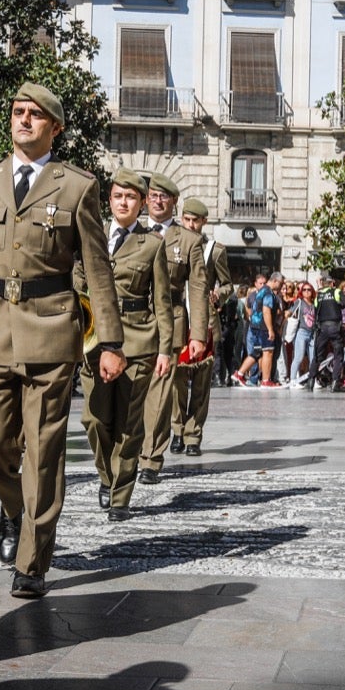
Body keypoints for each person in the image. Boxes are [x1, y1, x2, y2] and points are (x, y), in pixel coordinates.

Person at [0, 83, 124, 599]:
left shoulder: (76, 187)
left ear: (55, 127)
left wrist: (110, 342)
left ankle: (33, 560)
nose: (24, 121)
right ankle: (14, 509)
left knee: (44, 451)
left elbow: (97, 271)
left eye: (36, 115)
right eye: (17, 112)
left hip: (52, 331)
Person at [79, 169, 173, 520]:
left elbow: (161, 302)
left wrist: (165, 349)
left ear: (142, 203)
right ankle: (108, 475)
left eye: (131, 197)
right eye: (118, 196)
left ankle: (120, 495)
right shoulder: (92, 236)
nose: (124, 202)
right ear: (109, 200)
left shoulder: (152, 244)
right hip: (94, 340)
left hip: (138, 341)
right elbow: (77, 278)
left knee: (129, 424)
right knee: (94, 419)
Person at [139, 173, 209, 472]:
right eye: (153, 195)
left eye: (163, 196)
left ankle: (151, 458)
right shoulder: (131, 231)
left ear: (173, 203)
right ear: (146, 200)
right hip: (132, 321)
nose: (157, 200)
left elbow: (198, 288)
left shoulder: (189, 240)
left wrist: (198, 334)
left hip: (172, 322)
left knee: (161, 393)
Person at [173, 199, 229, 450]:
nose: (191, 224)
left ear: (204, 221)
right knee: (176, 379)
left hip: (204, 320)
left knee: (201, 382)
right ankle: (177, 429)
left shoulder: (215, 250)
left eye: (195, 220)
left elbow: (228, 284)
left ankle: (193, 435)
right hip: (177, 318)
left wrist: (219, 295)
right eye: (187, 219)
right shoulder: (171, 244)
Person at [313, 274, 345, 391]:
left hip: (322, 328)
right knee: (338, 355)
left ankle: (310, 380)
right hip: (334, 327)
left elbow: (315, 310)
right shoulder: (336, 292)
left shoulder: (318, 296)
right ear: (332, 283)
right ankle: (335, 383)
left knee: (317, 355)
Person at [288, 280, 318, 389]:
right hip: (301, 332)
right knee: (299, 357)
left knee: (313, 358)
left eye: (309, 289)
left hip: (312, 332)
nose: (306, 292)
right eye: (304, 290)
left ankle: (313, 379)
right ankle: (292, 380)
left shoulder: (314, 303)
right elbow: (291, 311)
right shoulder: (299, 302)